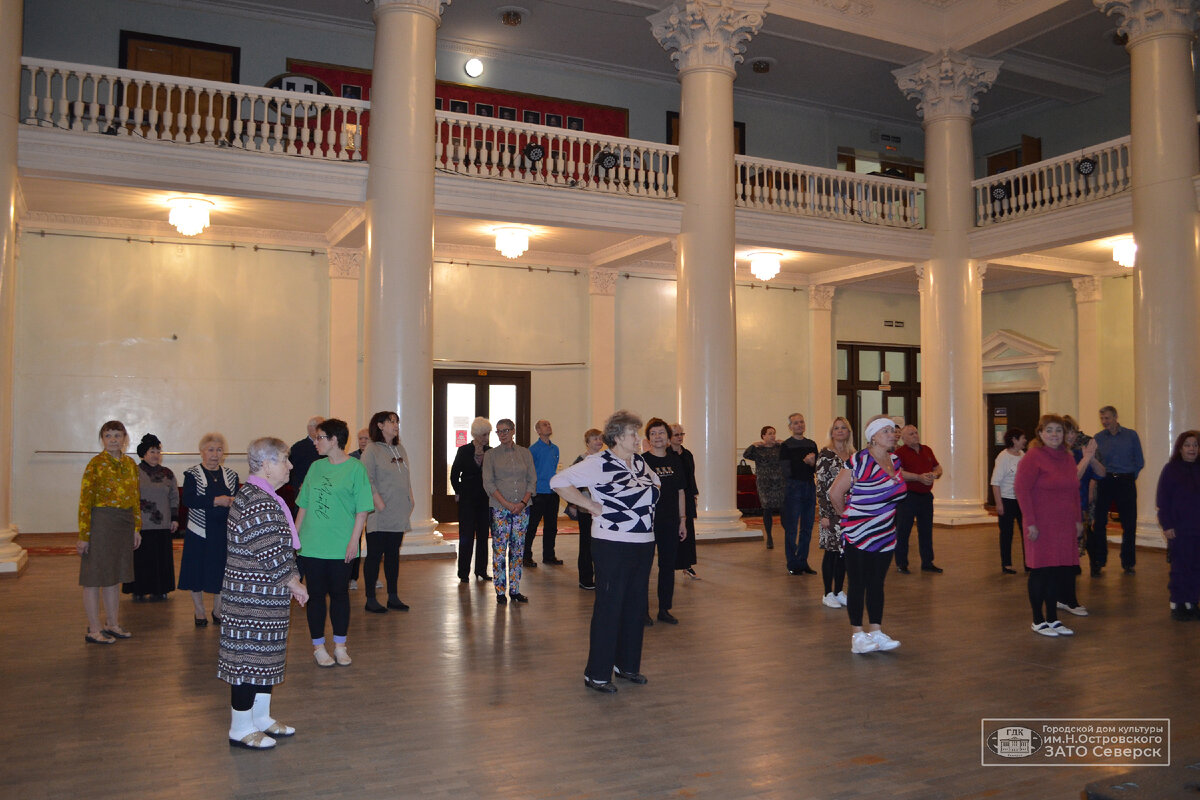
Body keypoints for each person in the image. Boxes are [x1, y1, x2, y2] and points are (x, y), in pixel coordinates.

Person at [551, 410, 660, 693]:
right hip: (611, 543)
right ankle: (597, 673)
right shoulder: (599, 462)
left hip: (643, 542)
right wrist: (593, 506)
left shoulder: (639, 462)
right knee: (610, 606)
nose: (639, 438)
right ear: (617, 436)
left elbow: (656, 487)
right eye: (633, 433)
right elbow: (558, 482)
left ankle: (626, 665)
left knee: (635, 607)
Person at [219, 437, 309, 750]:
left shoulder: (264, 494)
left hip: (265, 598)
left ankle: (261, 718)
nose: (291, 465)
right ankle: (240, 728)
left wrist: (292, 576)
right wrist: (294, 582)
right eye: (285, 459)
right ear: (267, 465)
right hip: (250, 600)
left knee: (265, 660)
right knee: (248, 661)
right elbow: (268, 549)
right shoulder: (257, 499)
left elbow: (281, 547)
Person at [296, 418, 374, 667]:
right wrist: (294, 540)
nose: (316, 442)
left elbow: (362, 510)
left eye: (320, 437)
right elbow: (303, 506)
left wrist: (355, 542)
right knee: (315, 596)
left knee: (340, 595)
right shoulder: (315, 467)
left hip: (342, 544)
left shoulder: (355, 468)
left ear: (334, 440)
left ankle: (340, 646)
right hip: (312, 544)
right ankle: (318, 646)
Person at [829, 415, 906, 654]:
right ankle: (857, 635)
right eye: (885, 431)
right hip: (859, 533)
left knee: (877, 583)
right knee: (858, 583)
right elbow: (835, 493)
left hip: (885, 532)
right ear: (872, 436)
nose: (892, 434)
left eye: (893, 431)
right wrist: (848, 520)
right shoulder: (858, 460)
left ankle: (876, 631)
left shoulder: (895, 459)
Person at [1014, 414, 1084, 638]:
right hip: (1040, 524)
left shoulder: (1068, 457)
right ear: (1041, 433)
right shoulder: (1033, 457)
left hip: (1063, 524)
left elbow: (1074, 492)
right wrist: (1030, 523)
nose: (1055, 435)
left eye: (1059, 430)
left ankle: (1053, 618)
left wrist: (1077, 520)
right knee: (1040, 571)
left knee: (1057, 572)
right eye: (1050, 430)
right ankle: (1038, 619)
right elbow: (1021, 490)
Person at [77, 420, 142, 644]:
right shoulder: (95, 464)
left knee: (115, 576)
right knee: (94, 577)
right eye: (108, 435)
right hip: (100, 523)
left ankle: (112, 624)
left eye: (117, 435)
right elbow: (85, 500)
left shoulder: (131, 464)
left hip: (124, 523)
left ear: (125, 438)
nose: (113, 439)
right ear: (102, 439)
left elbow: (135, 497)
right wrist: (84, 535)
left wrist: (136, 527)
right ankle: (94, 628)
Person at [180, 432, 238, 627]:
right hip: (199, 531)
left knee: (221, 571)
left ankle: (218, 610)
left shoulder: (231, 475)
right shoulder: (192, 474)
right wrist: (215, 501)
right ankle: (199, 611)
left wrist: (231, 501)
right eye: (210, 450)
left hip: (223, 532)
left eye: (219, 450)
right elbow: (188, 500)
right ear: (202, 452)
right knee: (196, 571)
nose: (215, 454)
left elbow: (237, 501)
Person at [359, 411, 414, 613]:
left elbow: (406, 477)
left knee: (393, 555)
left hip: (398, 510)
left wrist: (410, 497)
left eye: (397, 421)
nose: (395, 425)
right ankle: (370, 598)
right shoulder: (372, 450)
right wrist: (378, 502)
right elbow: (367, 479)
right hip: (380, 512)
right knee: (374, 555)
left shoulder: (400, 448)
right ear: (380, 425)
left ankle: (393, 596)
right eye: (391, 421)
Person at [482, 418, 536, 604]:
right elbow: (488, 483)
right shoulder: (491, 455)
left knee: (517, 549)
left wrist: (522, 502)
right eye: (499, 431)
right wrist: (506, 504)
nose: (502, 434)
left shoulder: (525, 453)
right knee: (499, 549)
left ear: (513, 431)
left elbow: (532, 480)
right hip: (499, 509)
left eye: (505, 430)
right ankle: (499, 590)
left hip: (522, 508)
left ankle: (515, 590)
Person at [123, 433, 178, 602]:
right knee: (141, 560)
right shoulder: (134, 472)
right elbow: (128, 496)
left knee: (161, 560)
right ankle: (138, 590)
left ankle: (160, 590)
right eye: (152, 451)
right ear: (143, 454)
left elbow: (174, 497)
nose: (155, 455)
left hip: (163, 525)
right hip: (141, 525)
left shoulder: (168, 474)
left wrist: (175, 518)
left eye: (157, 451)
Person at [642, 418, 686, 625]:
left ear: (668, 437)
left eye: (661, 433)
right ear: (648, 438)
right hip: (646, 523)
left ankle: (664, 609)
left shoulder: (676, 461)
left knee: (667, 566)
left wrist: (683, 520)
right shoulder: (641, 462)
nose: (657, 437)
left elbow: (680, 492)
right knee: (643, 567)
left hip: (670, 521)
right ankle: (642, 611)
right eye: (653, 433)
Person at [1091, 405, 1145, 575]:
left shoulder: (1131, 435)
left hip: (1125, 481)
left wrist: (1129, 476)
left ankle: (1128, 562)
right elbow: (1095, 462)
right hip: (1105, 481)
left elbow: (1139, 460)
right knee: (1099, 522)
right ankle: (1099, 559)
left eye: (1107, 418)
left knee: (1129, 523)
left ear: (1115, 417)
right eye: (1102, 419)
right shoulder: (1098, 438)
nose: (1104, 422)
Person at [1157, 430, 1200, 621]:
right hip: (1180, 528)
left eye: (1196, 445)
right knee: (1181, 567)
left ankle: (1192, 602)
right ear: (1180, 448)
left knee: (1196, 567)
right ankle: (1178, 604)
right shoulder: (1170, 469)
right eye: (1188, 445)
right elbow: (1163, 500)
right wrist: (1167, 525)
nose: (1192, 449)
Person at [1062, 419, 1104, 616]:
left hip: (1081, 510)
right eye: (1067, 432)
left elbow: (1101, 473)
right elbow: (1073, 477)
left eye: (1073, 432)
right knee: (1066, 559)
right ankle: (1066, 599)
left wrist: (1092, 457)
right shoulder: (1061, 456)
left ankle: (1066, 598)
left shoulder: (1080, 454)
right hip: (1065, 512)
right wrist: (1087, 457)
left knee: (1073, 557)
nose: (1071, 436)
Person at [815, 417, 854, 609]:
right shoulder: (826, 455)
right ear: (831, 432)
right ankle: (827, 593)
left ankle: (839, 591)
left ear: (848, 432)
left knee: (844, 554)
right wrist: (825, 514)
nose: (840, 431)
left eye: (843, 428)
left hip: (851, 512)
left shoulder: (854, 455)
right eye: (836, 428)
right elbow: (822, 487)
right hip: (831, 512)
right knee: (831, 553)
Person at [893, 425, 943, 574]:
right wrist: (918, 477)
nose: (915, 435)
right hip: (908, 497)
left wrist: (934, 475)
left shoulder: (926, 450)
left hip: (926, 497)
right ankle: (902, 563)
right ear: (904, 438)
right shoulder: (899, 453)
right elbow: (898, 473)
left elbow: (938, 467)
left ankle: (927, 562)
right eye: (911, 434)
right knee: (903, 531)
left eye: (916, 432)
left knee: (926, 530)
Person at [451, 416, 493, 583]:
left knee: (483, 536)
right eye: (483, 434)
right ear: (476, 434)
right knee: (466, 536)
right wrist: (459, 491)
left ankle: (481, 570)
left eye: (488, 434)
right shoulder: (464, 450)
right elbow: (454, 475)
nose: (486, 438)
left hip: (485, 499)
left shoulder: (491, 452)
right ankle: (463, 573)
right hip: (467, 498)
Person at [779, 412, 819, 575]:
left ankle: (803, 561)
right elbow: (786, 470)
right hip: (793, 487)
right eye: (795, 423)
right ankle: (792, 562)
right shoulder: (786, 445)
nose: (799, 425)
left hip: (809, 486)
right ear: (790, 427)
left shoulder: (811, 444)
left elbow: (818, 468)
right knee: (792, 528)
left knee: (807, 527)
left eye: (801, 422)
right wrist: (806, 463)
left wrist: (812, 463)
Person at [567, 428, 605, 590]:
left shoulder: (604, 459)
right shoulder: (581, 460)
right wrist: (574, 504)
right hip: (586, 508)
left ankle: (600, 576)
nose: (598, 441)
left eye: (600, 438)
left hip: (601, 509)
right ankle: (585, 578)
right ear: (587, 442)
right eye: (594, 439)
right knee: (586, 544)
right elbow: (572, 482)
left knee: (600, 543)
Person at [990, 427, 1026, 575]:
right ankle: (1007, 564)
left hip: (1021, 500)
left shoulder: (1023, 455)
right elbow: (995, 482)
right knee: (1007, 533)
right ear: (1014, 440)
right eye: (1022, 438)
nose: (1025, 441)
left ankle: (1029, 563)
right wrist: (999, 504)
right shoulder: (1003, 457)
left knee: (1025, 533)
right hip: (1006, 499)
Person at [526, 419, 562, 566]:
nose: (548, 426)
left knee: (551, 527)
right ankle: (526, 556)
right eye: (544, 425)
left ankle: (549, 556)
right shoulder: (533, 450)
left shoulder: (555, 449)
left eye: (549, 423)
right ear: (538, 431)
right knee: (532, 526)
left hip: (553, 492)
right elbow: (529, 471)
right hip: (538, 493)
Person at [743, 425, 785, 550]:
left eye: (774, 433)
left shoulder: (780, 448)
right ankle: (769, 537)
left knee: (783, 509)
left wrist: (785, 443)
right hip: (764, 484)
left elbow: (792, 453)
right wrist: (753, 445)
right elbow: (746, 454)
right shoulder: (758, 450)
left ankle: (788, 533)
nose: (773, 436)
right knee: (767, 509)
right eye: (770, 433)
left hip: (780, 483)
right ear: (763, 436)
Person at [670, 424, 700, 579]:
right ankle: (671, 564)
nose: (680, 437)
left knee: (688, 529)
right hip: (672, 498)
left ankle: (687, 564)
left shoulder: (687, 454)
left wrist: (694, 495)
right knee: (672, 531)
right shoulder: (667, 455)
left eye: (682, 434)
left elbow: (691, 476)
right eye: (676, 434)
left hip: (687, 496)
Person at [346, 427, 370, 590]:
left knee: (373, 543)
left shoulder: (376, 457)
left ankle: (372, 577)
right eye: (360, 438)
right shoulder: (352, 458)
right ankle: (352, 577)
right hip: (355, 507)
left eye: (366, 438)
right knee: (355, 539)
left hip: (373, 505)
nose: (362, 441)